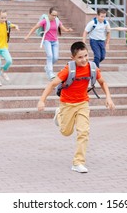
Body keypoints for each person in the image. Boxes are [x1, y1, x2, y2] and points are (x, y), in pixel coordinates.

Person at [37, 41, 115, 173]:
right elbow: (52, 84)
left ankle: (78, 162)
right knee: (66, 132)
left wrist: (108, 97)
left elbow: (102, 82)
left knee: (83, 132)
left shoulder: (92, 67)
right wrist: (41, 100)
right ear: (72, 58)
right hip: (67, 104)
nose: (84, 60)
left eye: (86, 56)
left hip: (83, 103)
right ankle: (59, 114)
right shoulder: (68, 70)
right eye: (80, 57)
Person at [24, 7, 73, 80]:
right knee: (50, 56)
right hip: (47, 41)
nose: (54, 17)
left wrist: (68, 30)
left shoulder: (57, 20)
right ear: (49, 14)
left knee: (55, 58)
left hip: (55, 41)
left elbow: (63, 28)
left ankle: (47, 67)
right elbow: (35, 27)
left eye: (55, 15)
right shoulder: (45, 21)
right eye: (53, 15)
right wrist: (27, 36)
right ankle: (50, 73)